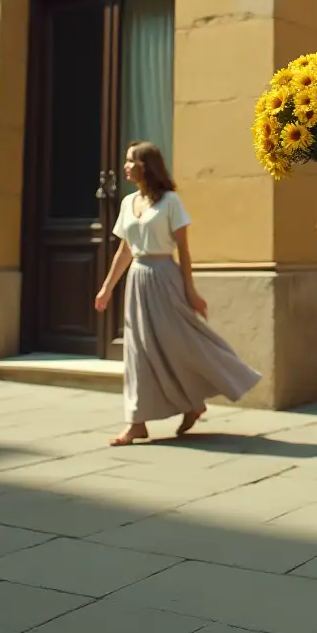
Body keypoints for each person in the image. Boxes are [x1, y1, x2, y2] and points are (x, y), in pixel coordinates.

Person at [95, 140, 262, 446]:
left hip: (165, 279)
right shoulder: (127, 202)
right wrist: (107, 288)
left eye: (131, 161)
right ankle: (136, 422)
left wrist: (191, 292)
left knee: (179, 343)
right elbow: (124, 251)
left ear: (146, 166)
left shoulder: (170, 202)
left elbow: (183, 251)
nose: (126, 166)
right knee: (137, 351)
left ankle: (195, 402)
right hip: (137, 280)